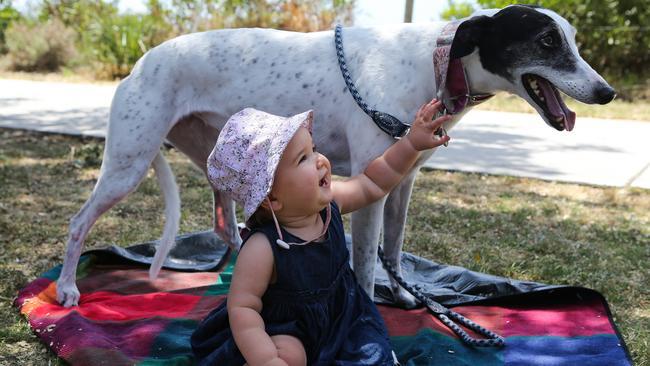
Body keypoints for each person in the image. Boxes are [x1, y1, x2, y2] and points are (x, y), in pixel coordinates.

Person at [191, 100, 451, 366]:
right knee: (289, 355)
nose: (320, 161)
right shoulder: (264, 247)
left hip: (343, 315)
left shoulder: (329, 206)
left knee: (371, 353)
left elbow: (374, 183)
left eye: (313, 149)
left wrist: (411, 144)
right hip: (284, 326)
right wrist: (266, 358)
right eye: (303, 158)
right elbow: (243, 308)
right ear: (272, 198)